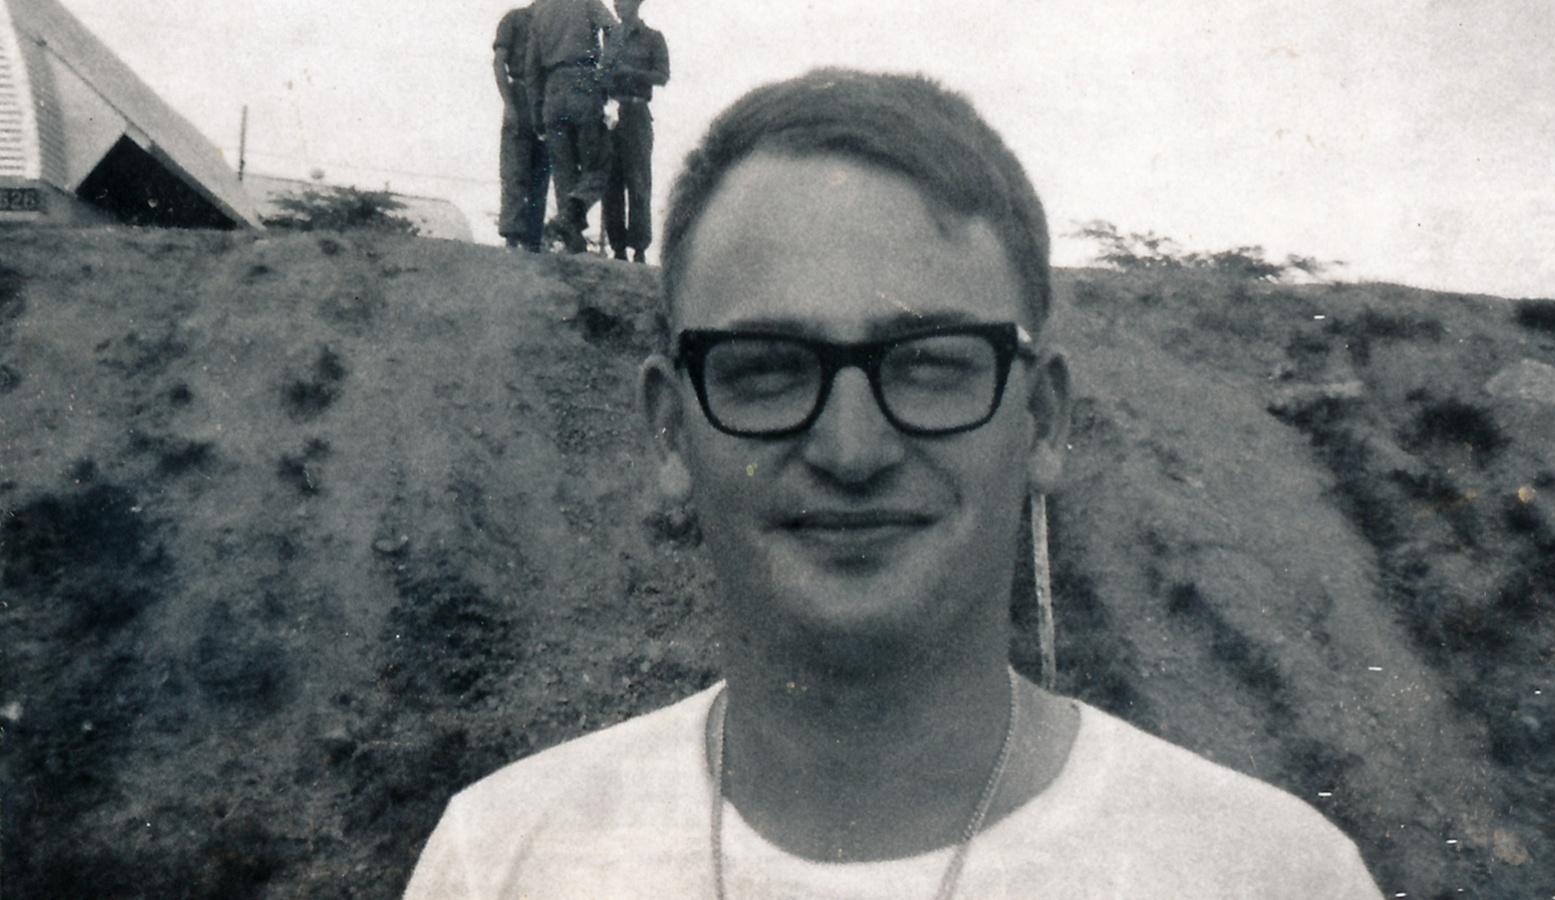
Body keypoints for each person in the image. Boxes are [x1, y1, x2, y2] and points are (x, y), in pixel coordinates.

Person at [404, 69, 1385, 899]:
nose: (852, 447)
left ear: (1040, 420)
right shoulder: (498, 865)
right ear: (672, 431)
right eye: (769, 368)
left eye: (927, 364)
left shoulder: (1269, 876)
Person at [525, 0, 617, 253]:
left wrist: (536, 112)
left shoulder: (540, 10)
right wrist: (605, 70)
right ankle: (575, 209)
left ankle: (573, 243)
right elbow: (614, 29)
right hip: (583, 83)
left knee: (563, 172)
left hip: (553, 91)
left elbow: (531, 67)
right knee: (598, 164)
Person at [599, 0, 669, 264]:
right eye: (617, 3)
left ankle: (639, 248)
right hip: (612, 112)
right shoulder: (610, 38)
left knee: (639, 181)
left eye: (624, 2)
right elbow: (601, 74)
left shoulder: (653, 38)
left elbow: (662, 75)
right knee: (611, 181)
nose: (619, 7)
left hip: (638, 113)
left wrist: (631, 72)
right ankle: (618, 248)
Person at [492, 2, 550, 251]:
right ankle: (512, 236)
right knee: (514, 169)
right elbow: (499, 63)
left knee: (542, 171)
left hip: (547, 99)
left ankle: (533, 239)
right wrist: (510, 104)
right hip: (520, 92)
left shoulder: (553, 26)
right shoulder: (514, 19)